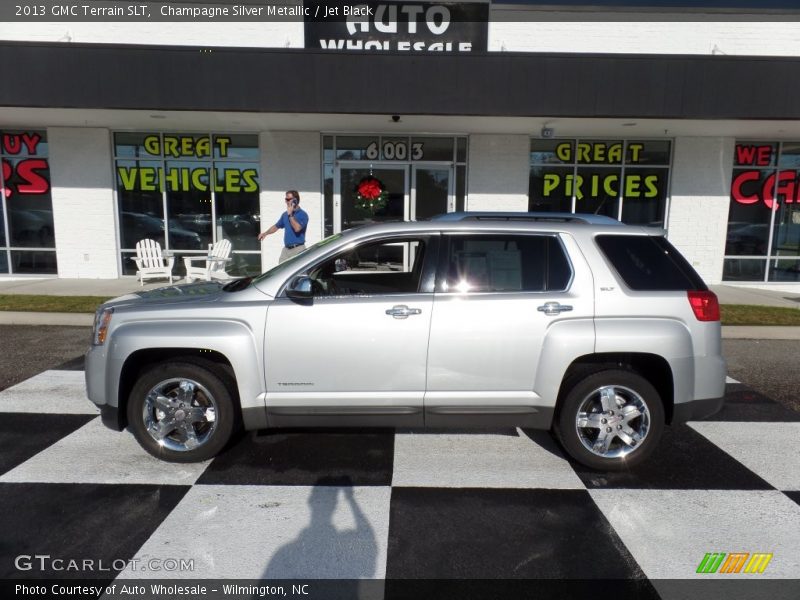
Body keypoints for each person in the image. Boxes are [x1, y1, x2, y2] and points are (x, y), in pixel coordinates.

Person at [257, 190, 309, 263]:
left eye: (288, 199)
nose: (286, 201)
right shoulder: (285, 215)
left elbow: (297, 229)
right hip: (286, 250)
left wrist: (290, 215)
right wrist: (265, 233)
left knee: (296, 272)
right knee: (281, 270)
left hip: (298, 249)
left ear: (295, 200)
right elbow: (276, 226)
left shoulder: (303, 214)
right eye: (285, 199)